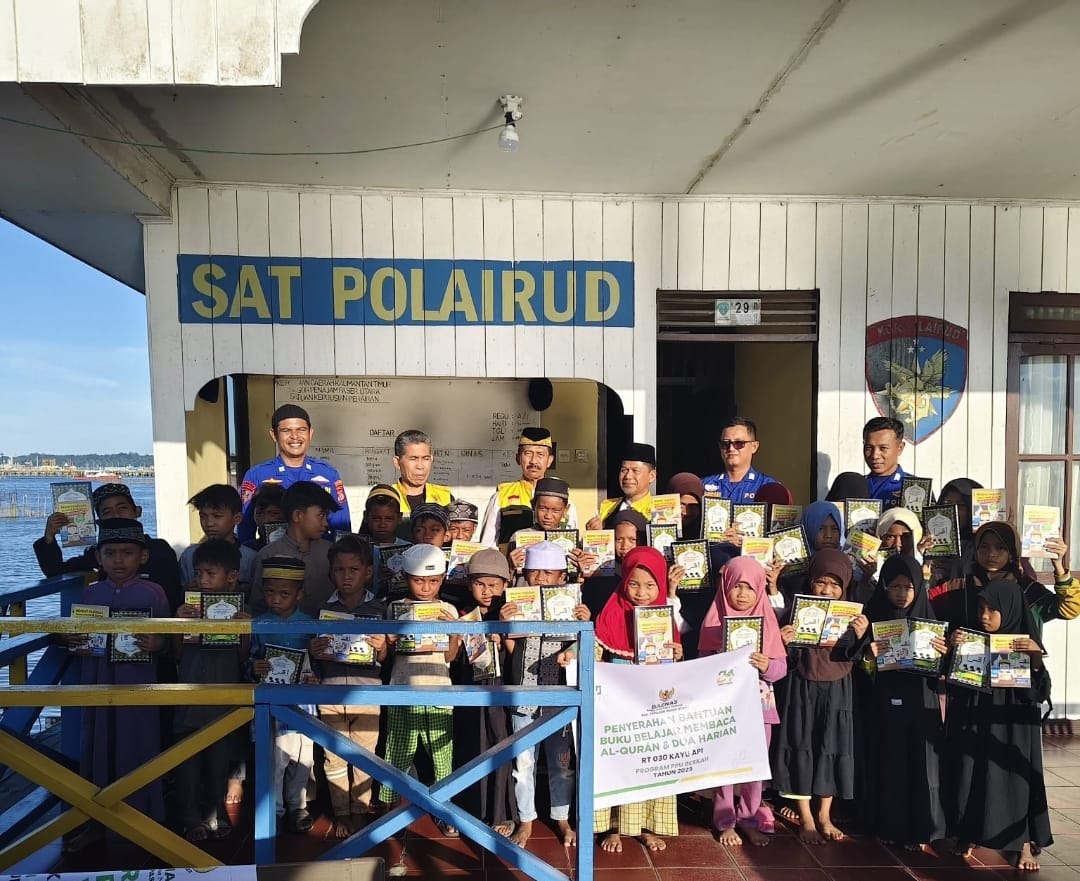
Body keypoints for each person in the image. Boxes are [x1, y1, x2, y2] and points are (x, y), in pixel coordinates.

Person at [66, 518, 171, 853]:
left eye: (127, 553)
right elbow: (77, 634)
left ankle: (144, 821)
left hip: (138, 685)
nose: (118, 560)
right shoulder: (91, 593)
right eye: (110, 553)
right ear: (99, 557)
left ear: (143, 556)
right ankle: (95, 822)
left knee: (138, 746)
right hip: (97, 682)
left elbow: (170, 640)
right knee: (98, 746)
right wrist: (74, 640)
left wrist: (159, 644)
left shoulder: (154, 593)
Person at [944, 578, 1052, 870]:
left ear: (1011, 609)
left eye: (992, 609)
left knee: (1015, 782)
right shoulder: (971, 639)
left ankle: (1022, 843)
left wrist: (1035, 659)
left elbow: (1040, 693)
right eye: (981, 608)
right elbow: (954, 685)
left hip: (1012, 724)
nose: (984, 615)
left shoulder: (1024, 642)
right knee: (970, 775)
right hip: (974, 718)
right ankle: (968, 833)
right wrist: (953, 651)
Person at [592, 546, 683, 853]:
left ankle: (644, 826)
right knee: (617, 761)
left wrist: (677, 653)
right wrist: (574, 656)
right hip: (617, 707)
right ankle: (613, 826)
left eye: (650, 585)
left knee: (650, 761)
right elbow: (595, 651)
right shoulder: (611, 612)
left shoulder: (665, 619)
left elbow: (676, 670)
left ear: (660, 585)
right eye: (633, 584)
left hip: (653, 707)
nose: (641, 593)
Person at [501, 541, 590, 848]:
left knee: (561, 763)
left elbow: (586, 648)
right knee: (523, 763)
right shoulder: (515, 602)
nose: (540, 577)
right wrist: (506, 624)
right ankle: (526, 819)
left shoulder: (573, 605)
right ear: (524, 573)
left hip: (560, 697)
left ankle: (561, 817)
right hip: (524, 693)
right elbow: (511, 650)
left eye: (548, 572)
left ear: (562, 577)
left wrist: (584, 626)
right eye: (534, 571)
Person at [856, 554, 946, 850]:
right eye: (894, 586)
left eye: (908, 587)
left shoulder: (929, 620)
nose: (902, 593)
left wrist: (944, 653)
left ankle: (921, 829)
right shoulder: (874, 616)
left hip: (922, 703)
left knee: (922, 765)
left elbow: (942, 670)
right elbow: (861, 668)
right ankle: (888, 825)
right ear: (884, 586)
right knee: (890, 762)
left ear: (918, 588)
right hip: (885, 703)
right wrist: (868, 654)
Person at [698, 557, 786, 847]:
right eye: (737, 586)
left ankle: (749, 818)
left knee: (754, 766)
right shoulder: (713, 621)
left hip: (760, 708)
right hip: (725, 709)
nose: (743, 594)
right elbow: (701, 666)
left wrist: (765, 665)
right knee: (725, 764)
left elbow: (780, 669)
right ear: (725, 586)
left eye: (750, 587)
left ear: (760, 589)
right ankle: (724, 820)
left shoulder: (767, 620)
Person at [773, 549, 858, 845]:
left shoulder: (852, 614)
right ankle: (806, 817)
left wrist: (861, 635)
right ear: (810, 582)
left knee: (831, 744)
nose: (827, 590)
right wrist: (784, 640)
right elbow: (784, 658)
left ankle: (824, 815)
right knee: (800, 743)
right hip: (802, 683)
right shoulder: (795, 610)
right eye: (821, 582)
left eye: (835, 585)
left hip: (838, 684)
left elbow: (858, 655)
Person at [377, 543, 462, 835]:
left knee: (442, 754)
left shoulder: (448, 610)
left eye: (433, 581)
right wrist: (388, 641)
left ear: (443, 579)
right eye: (418, 580)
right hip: (402, 689)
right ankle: (388, 807)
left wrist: (455, 633)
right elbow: (385, 656)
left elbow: (450, 657)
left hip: (439, 690)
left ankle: (444, 808)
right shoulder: (394, 608)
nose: (426, 588)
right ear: (405, 578)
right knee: (397, 751)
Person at [308, 536, 386, 839]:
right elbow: (314, 655)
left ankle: (360, 809)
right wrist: (314, 650)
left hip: (368, 693)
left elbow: (387, 656)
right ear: (331, 573)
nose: (347, 576)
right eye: (340, 570)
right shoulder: (322, 609)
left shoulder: (379, 609)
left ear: (368, 572)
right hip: (330, 692)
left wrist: (382, 647)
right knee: (334, 756)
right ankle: (341, 811)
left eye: (354, 569)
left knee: (365, 755)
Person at [173, 539, 250, 842]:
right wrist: (178, 623)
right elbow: (176, 654)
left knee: (219, 759)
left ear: (231, 577)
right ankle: (190, 818)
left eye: (210, 573)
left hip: (223, 695)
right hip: (189, 692)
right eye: (198, 573)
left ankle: (217, 812)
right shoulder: (187, 607)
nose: (202, 580)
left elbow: (243, 656)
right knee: (187, 761)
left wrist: (245, 629)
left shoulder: (241, 610)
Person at [450, 548, 517, 835]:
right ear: (469, 584)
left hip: (502, 689)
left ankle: (501, 812)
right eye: (480, 584)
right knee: (470, 745)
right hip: (469, 687)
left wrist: (504, 632)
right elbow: (453, 656)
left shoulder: (512, 609)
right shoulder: (461, 612)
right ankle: (468, 809)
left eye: (493, 584)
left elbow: (519, 654)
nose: (487, 591)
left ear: (506, 584)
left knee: (500, 743)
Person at [249, 556, 317, 833]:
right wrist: (254, 667)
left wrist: (315, 675)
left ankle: (297, 805)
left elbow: (318, 659)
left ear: (299, 594)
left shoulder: (310, 624)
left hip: (303, 701)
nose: (275, 599)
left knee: (305, 756)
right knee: (275, 758)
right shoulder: (259, 624)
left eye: (284, 594)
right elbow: (250, 659)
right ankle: (274, 810)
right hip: (272, 703)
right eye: (270, 592)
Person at [36, 483, 182, 610]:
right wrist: (49, 536)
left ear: (137, 511)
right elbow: (56, 571)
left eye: (122, 508)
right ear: (99, 521)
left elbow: (173, 597)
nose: (116, 515)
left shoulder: (159, 550)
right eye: (107, 512)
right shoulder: (100, 552)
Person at [930, 521, 1078, 643]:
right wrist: (949, 640)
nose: (991, 554)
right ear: (975, 550)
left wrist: (1058, 566)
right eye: (984, 547)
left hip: (1016, 668)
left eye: (1000, 547)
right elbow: (924, 607)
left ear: (1012, 551)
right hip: (967, 667)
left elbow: (1070, 609)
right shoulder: (959, 586)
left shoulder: (1026, 588)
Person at [238, 404, 351, 544]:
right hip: (274, 554)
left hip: (319, 553)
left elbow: (342, 526)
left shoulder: (328, 474)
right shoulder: (257, 475)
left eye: (301, 430)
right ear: (274, 435)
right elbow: (245, 528)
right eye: (286, 431)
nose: (295, 436)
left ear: (310, 433)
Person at [249, 482, 338, 617]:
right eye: (320, 515)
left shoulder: (331, 553)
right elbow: (258, 607)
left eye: (326, 516)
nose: (325, 523)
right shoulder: (268, 555)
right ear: (298, 516)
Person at [480, 427, 578, 545]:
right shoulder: (501, 496)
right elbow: (487, 544)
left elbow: (572, 542)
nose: (533, 461)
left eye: (540, 454)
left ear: (550, 460)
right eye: (528, 453)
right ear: (518, 458)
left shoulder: (562, 498)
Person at [179, 484, 257, 589]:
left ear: (237, 518)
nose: (209, 523)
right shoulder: (189, 556)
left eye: (217, 516)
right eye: (203, 516)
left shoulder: (251, 559)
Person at [581, 509, 648, 620]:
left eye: (632, 540)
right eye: (619, 539)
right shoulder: (601, 571)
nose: (624, 546)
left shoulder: (647, 570)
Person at [391, 430, 453, 535]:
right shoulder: (387, 497)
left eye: (425, 458)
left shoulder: (445, 497)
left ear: (431, 459)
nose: (420, 466)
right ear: (397, 462)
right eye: (413, 459)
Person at [701, 417, 778, 502]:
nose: (731, 448)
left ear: (754, 447)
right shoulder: (703, 486)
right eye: (725, 443)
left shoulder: (769, 487)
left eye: (739, 443)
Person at [589, 443, 657, 529]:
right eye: (624, 470)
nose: (628, 476)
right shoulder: (607, 507)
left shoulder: (658, 509)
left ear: (651, 476)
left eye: (635, 471)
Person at [862, 417, 909, 508]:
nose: (875, 455)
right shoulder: (855, 486)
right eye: (869, 448)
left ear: (900, 448)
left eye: (883, 448)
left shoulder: (915, 487)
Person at [245, 483, 286, 551]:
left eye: (274, 513)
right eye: (259, 513)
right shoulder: (248, 550)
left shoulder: (300, 548)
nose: (266, 520)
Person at [665, 472, 705, 539]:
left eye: (693, 507)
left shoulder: (705, 532)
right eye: (681, 505)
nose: (686, 512)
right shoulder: (654, 523)